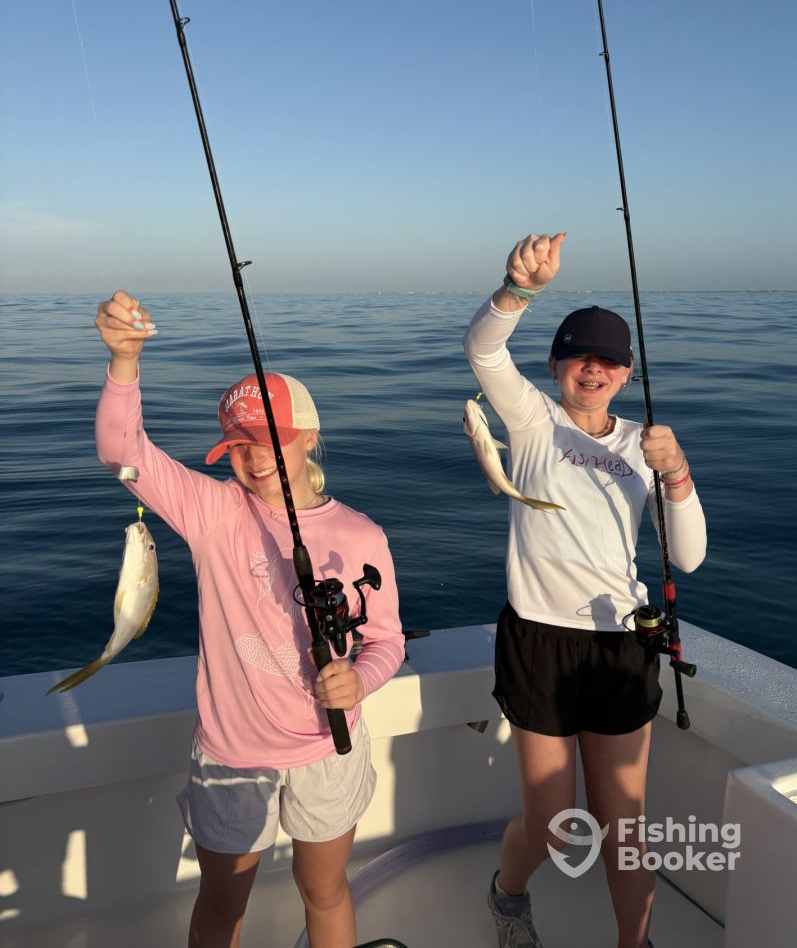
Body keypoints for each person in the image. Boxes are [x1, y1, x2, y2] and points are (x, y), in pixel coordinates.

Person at [94, 289, 405, 948]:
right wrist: (124, 362)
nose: (254, 456)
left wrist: (360, 680)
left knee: (325, 891)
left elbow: (386, 640)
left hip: (330, 746)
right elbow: (123, 452)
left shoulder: (363, 535)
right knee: (221, 905)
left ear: (309, 436)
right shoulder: (212, 514)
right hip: (233, 755)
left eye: (270, 439)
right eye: (238, 443)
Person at [463, 234, 706, 948]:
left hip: (621, 644)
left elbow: (689, 556)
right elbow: (482, 351)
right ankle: (508, 896)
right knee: (550, 822)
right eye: (577, 357)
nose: (592, 368)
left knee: (622, 826)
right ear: (555, 367)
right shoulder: (531, 421)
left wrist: (677, 473)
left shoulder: (645, 446)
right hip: (539, 639)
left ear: (626, 374)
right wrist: (519, 290)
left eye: (607, 360)